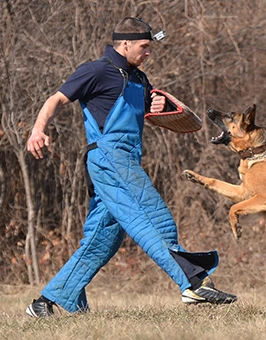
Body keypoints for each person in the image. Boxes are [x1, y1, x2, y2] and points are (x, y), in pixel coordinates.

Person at [25, 17, 237, 318]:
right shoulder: (95, 71)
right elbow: (56, 99)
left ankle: (45, 302)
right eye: (144, 47)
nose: (149, 52)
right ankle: (192, 283)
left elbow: (150, 107)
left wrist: (158, 106)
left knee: (104, 237)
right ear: (124, 44)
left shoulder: (139, 78)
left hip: (126, 159)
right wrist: (38, 129)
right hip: (109, 158)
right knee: (153, 216)